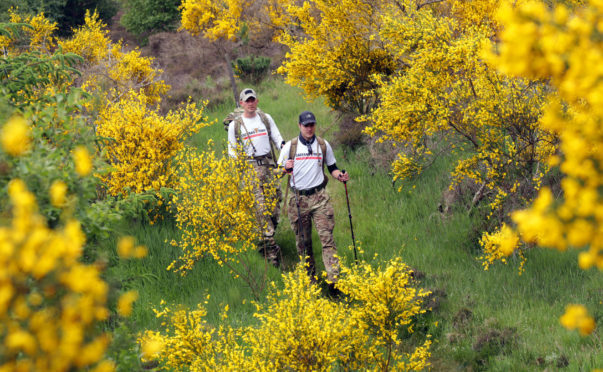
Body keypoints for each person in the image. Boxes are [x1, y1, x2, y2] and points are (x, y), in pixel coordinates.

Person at [279, 110, 349, 294]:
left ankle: (334, 283)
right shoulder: (290, 147)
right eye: (306, 125)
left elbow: (332, 167)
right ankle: (310, 282)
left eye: (312, 125)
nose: (309, 128)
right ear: (299, 126)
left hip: (319, 198)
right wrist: (285, 168)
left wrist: (340, 176)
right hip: (298, 200)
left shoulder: (323, 145)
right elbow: (278, 171)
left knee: (327, 240)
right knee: (304, 243)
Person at [228, 88, 285, 267]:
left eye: (253, 100)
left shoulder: (266, 119)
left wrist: (286, 160)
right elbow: (232, 151)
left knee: (275, 205)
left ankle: (267, 235)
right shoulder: (235, 125)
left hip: (269, 167)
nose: (251, 103)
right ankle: (270, 253)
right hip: (250, 169)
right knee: (260, 209)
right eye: (247, 100)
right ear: (242, 103)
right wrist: (239, 173)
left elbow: (278, 139)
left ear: (257, 101)